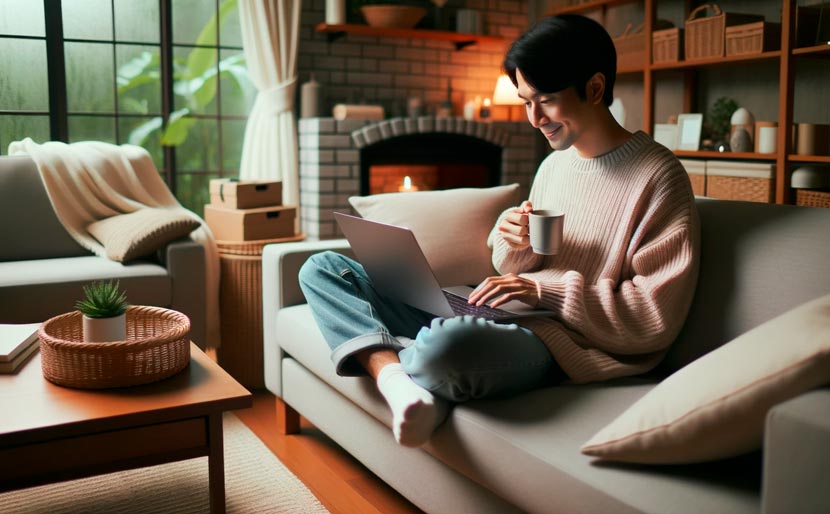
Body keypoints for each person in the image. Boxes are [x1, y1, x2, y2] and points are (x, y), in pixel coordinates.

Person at [298, 14, 699, 448]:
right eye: (526, 101)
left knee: (447, 347)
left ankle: (390, 351)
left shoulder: (659, 177)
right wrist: (510, 241)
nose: (534, 118)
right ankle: (398, 379)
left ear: (596, 88)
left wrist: (544, 292)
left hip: (560, 343)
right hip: (499, 313)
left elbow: (653, 316)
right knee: (322, 268)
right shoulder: (555, 165)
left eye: (544, 99)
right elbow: (515, 270)